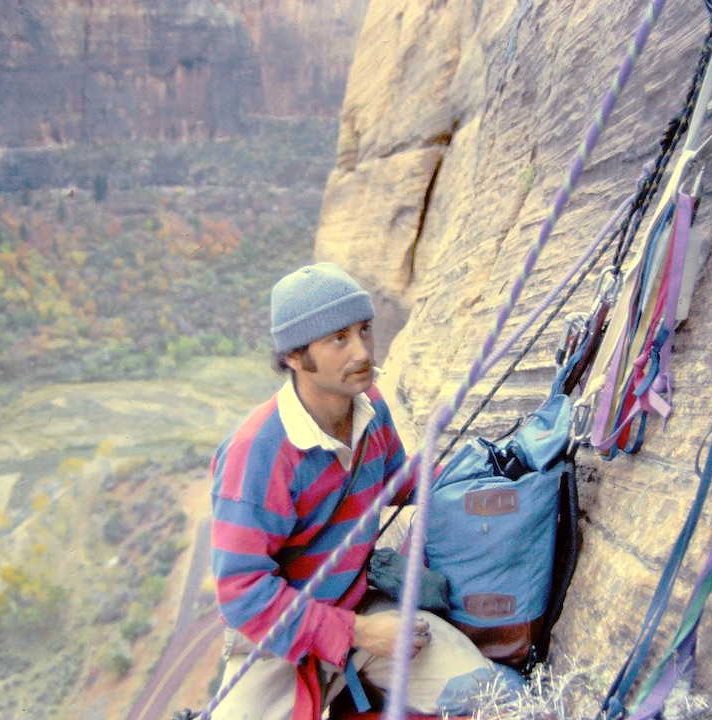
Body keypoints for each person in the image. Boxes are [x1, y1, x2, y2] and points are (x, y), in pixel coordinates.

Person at [209, 262, 519, 720]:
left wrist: (484, 476)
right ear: (295, 356)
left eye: (365, 330)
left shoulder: (370, 410)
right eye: (339, 338)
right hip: (279, 645)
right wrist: (357, 633)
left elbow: (401, 480)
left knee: (495, 701)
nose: (361, 351)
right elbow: (240, 591)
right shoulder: (258, 454)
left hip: (359, 610)